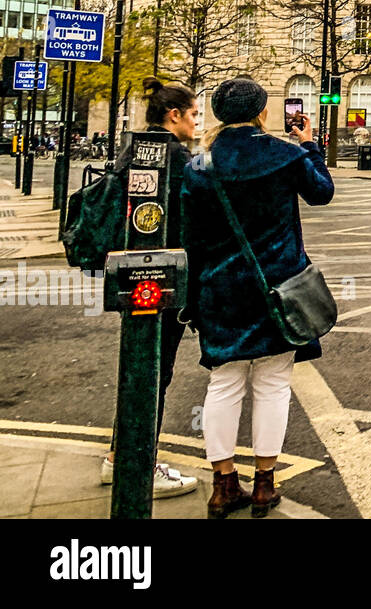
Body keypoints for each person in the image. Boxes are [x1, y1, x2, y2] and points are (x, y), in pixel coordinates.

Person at [181, 77, 334, 519]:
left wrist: (192, 301)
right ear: (262, 114)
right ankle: (265, 484)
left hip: (221, 291)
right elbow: (321, 193)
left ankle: (223, 484)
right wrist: (309, 145)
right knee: (272, 385)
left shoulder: (200, 166)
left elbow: (192, 241)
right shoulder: (285, 155)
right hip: (278, 290)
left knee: (224, 384)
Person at [101, 78, 201, 500]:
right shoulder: (177, 157)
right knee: (154, 372)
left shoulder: (136, 149)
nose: (198, 122)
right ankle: (137, 464)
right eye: (194, 114)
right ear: (174, 115)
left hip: (133, 275)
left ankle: (119, 456)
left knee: (142, 369)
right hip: (162, 280)